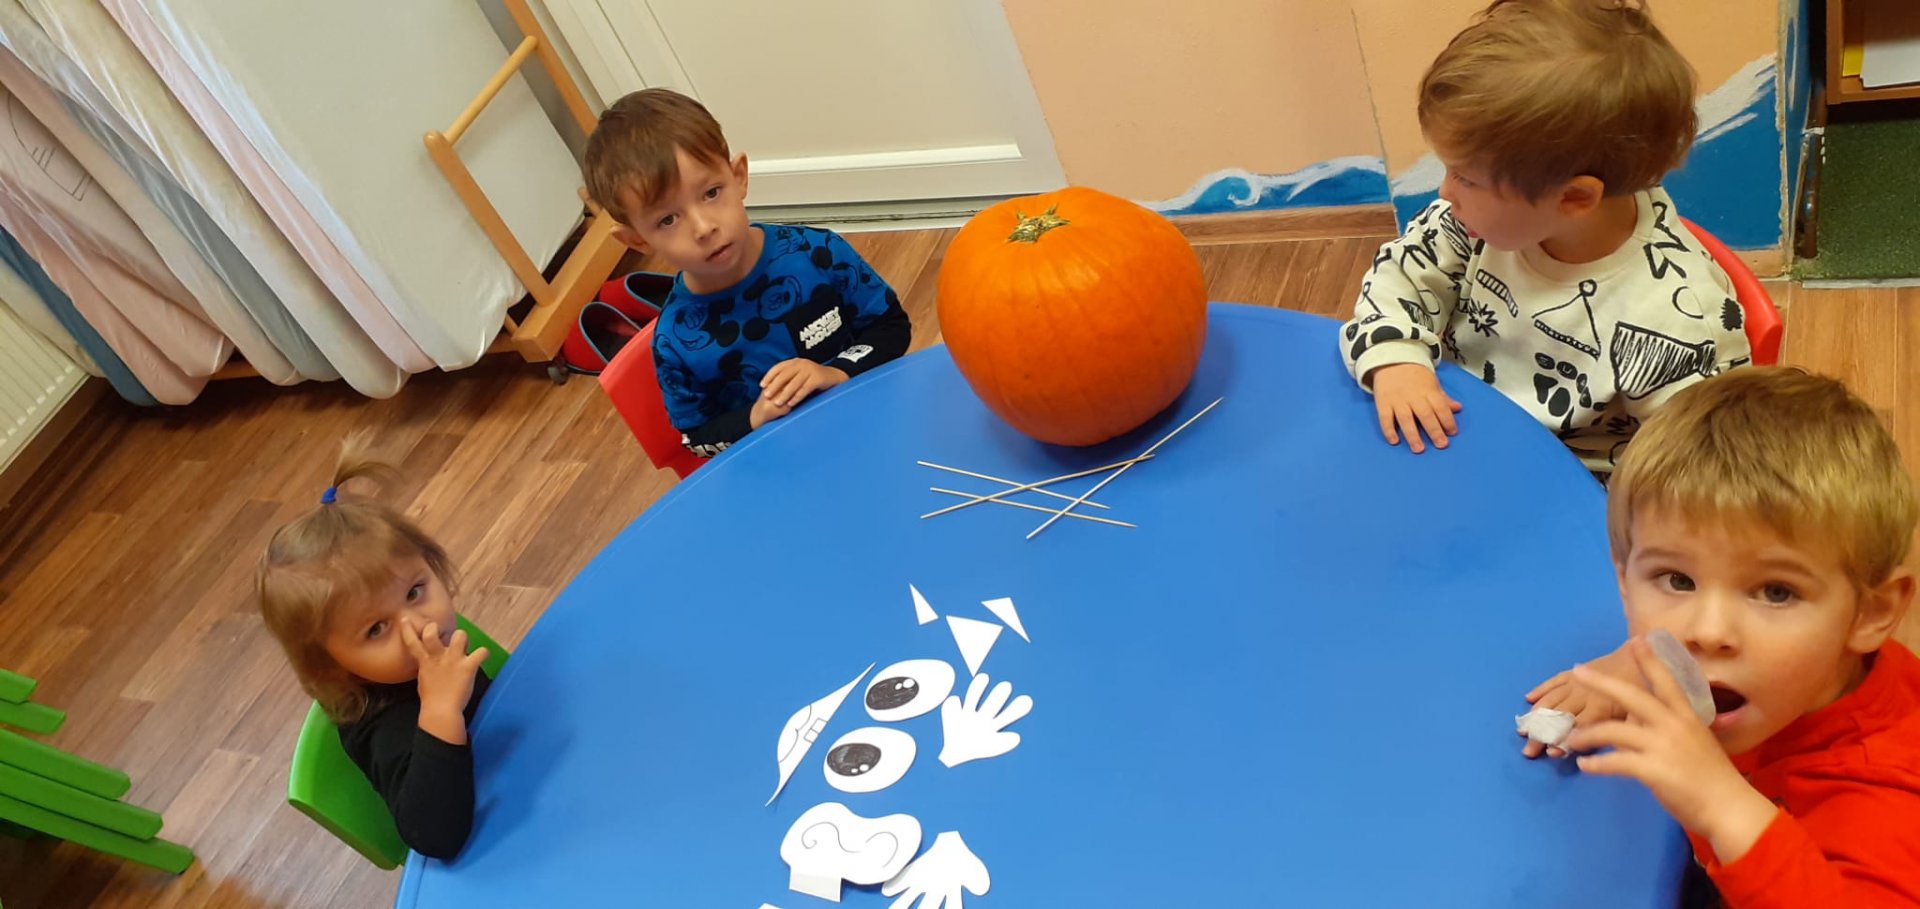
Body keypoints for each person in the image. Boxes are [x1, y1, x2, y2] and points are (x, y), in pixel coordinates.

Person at [1529, 368, 1920, 905]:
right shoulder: (1760, 675)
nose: (1707, 633)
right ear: (1624, 579)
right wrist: (1636, 662)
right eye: (1678, 580)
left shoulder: (1881, 791)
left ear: (1871, 613)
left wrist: (1723, 805)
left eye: (1776, 592)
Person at [1339, 0, 1749, 474]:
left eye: (1465, 178)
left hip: (1571, 482)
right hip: (1448, 433)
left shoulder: (1678, 320)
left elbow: (1698, 466)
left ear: (1574, 198)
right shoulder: (1471, 223)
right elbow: (1402, 276)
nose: (1444, 192)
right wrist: (1397, 361)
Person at [584, 88, 910, 457]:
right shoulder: (675, 341)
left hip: (879, 430)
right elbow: (697, 437)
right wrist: (755, 418)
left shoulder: (818, 254)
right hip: (785, 468)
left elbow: (891, 328)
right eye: (668, 220)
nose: (703, 227)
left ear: (739, 176)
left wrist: (834, 373)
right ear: (637, 240)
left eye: (711, 193)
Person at [257, 443, 491, 859]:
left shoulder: (432, 654)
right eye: (376, 629)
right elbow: (435, 836)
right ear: (330, 666)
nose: (417, 627)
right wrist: (439, 712)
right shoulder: (381, 727)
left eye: (414, 591)